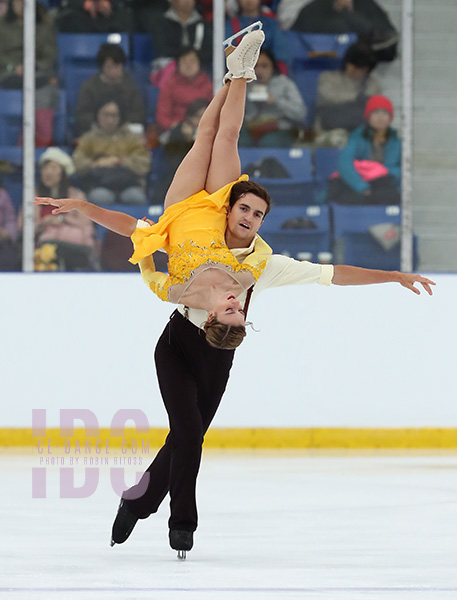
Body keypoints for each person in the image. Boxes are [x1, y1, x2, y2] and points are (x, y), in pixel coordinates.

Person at [37, 29, 270, 350]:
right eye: (241, 311)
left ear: (211, 317)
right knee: (228, 137)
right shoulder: (244, 280)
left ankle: (232, 76)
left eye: (229, 310)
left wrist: (84, 207)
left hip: (180, 205)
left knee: (205, 137)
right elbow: (264, 250)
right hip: (219, 208)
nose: (236, 302)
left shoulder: (175, 291)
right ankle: (242, 71)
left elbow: (137, 244)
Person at [72, 95, 151, 206]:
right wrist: (96, 163)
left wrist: (119, 161)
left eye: (114, 115)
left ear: (120, 116)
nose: (109, 120)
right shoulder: (88, 138)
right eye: (105, 115)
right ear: (97, 114)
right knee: (100, 198)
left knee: (136, 198)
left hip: (128, 184)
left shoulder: (132, 138)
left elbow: (144, 163)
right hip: (100, 185)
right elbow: (77, 163)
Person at [326, 94, 401, 205]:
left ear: (390, 118)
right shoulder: (357, 138)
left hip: (383, 184)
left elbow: (402, 169)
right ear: (368, 117)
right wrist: (362, 187)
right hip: (356, 184)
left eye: (385, 113)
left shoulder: (396, 141)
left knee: (389, 196)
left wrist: (381, 171)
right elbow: (344, 164)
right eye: (376, 112)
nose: (380, 117)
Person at [33, 148, 99, 272]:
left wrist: (61, 219)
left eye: (53, 168)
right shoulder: (34, 196)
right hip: (42, 249)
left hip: (74, 246)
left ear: (63, 173)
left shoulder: (77, 196)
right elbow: (25, 227)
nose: (48, 173)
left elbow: (86, 223)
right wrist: (43, 224)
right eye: (45, 168)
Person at [314, 41, 381, 147]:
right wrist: (356, 97)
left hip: (361, 133)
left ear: (367, 69)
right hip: (330, 131)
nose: (352, 70)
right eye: (350, 65)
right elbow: (326, 96)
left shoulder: (372, 84)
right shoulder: (328, 77)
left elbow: (374, 104)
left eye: (358, 68)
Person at [290, 0, 399, 62]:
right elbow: (291, 47)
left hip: (359, 78)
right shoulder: (311, 10)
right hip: (314, 76)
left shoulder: (366, 6)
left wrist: (350, 15)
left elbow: (388, 52)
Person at [75, 43, 146, 138]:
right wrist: (103, 122)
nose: (113, 71)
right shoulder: (89, 86)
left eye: (117, 67)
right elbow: (82, 115)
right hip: (97, 134)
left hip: (124, 134)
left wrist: (117, 122)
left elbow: (139, 114)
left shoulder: (131, 86)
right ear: (102, 67)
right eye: (109, 67)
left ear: (123, 66)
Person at [240, 48, 306, 147]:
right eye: (255, 66)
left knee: (269, 142)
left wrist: (276, 101)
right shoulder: (244, 85)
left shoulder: (284, 84)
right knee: (237, 140)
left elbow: (300, 113)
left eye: (264, 66)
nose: (259, 70)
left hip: (278, 129)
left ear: (272, 67)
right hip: (250, 129)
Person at [0, 0, 58, 109]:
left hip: (38, 74)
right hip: (8, 74)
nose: (21, 5)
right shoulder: (1, 25)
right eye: (18, 2)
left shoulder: (44, 25)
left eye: (24, 2)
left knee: (46, 91)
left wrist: (33, 66)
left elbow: (49, 55)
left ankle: (39, 124)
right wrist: (14, 67)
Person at [155, 47, 213, 135]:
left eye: (192, 61)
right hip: (175, 133)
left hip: (203, 129)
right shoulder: (169, 85)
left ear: (199, 64)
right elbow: (162, 116)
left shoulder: (208, 85)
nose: (188, 65)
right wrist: (178, 128)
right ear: (178, 64)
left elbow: (214, 112)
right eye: (184, 61)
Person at [150, 0, 213, 71]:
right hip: (170, 68)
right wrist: (182, 61)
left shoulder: (203, 24)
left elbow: (208, 51)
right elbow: (162, 49)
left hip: (198, 68)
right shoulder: (161, 24)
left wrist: (192, 60)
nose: (187, 1)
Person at [226, 0, 289, 66]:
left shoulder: (271, 24)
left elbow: (280, 54)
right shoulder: (229, 25)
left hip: (268, 71)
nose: (249, 1)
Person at [56, 0, 131, 33]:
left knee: (126, 17)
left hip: (110, 14)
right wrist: (85, 4)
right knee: (68, 18)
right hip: (79, 14)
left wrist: (109, 2)